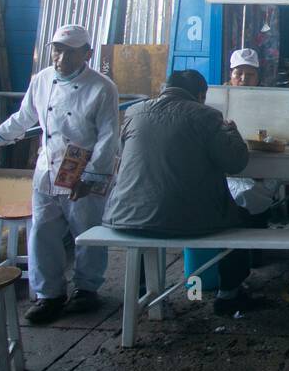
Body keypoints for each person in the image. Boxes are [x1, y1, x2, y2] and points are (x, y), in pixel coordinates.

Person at [0, 24, 119, 324]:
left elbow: (108, 137)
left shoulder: (102, 88)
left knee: (88, 232)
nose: (61, 57)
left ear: (87, 54)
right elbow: (24, 117)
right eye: (58, 49)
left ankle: (87, 289)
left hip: (83, 173)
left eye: (71, 52)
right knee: (42, 233)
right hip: (47, 170)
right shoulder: (41, 80)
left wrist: (91, 177)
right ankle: (49, 295)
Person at [103, 69, 257, 316]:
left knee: (147, 221)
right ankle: (229, 294)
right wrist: (232, 132)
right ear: (200, 95)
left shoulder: (133, 113)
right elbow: (235, 163)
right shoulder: (207, 116)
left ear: (164, 88)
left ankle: (144, 287)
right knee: (244, 219)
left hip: (125, 216)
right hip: (187, 221)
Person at [223, 47, 280, 225]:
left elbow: (277, 127)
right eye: (238, 73)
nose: (243, 79)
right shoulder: (221, 97)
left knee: (261, 194)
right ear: (230, 75)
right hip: (230, 163)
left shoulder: (266, 99)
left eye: (250, 74)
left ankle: (257, 245)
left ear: (258, 77)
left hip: (260, 157)